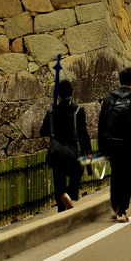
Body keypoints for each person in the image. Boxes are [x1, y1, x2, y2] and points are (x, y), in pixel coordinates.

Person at [99, 66, 131, 222]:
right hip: (129, 145)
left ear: (119, 80)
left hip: (112, 144)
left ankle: (114, 206)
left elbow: (102, 126)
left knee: (116, 175)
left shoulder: (108, 100)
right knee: (127, 177)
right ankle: (122, 210)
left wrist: (103, 147)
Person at [40, 79, 92, 212]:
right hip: (71, 150)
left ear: (58, 95)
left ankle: (61, 207)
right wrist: (88, 151)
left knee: (59, 179)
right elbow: (83, 134)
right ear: (72, 93)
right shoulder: (77, 111)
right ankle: (69, 194)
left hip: (56, 152)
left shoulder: (51, 113)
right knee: (77, 171)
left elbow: (42, 131)